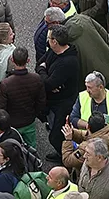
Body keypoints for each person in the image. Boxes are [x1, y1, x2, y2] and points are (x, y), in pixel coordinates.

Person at [41, 23, 82, 155]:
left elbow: (48, 84)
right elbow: (39, 65)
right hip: (54, 101)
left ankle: (66, 156)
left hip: (64, 103)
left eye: (49, 38)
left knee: (56, 136)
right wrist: (44, 71)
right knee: (52, 125)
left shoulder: (68, 62)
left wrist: (44, 71)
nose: (47, 41)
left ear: (55, 41)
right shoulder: (53, 52)